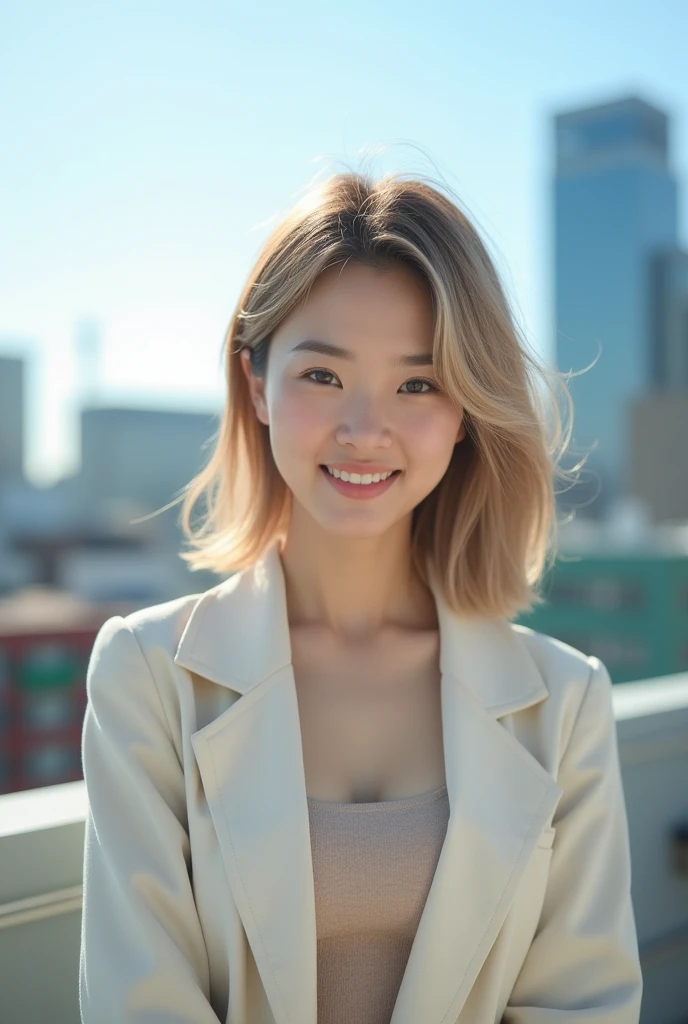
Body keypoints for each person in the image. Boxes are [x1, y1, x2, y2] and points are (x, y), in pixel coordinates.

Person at [78, 170, 643, 1024]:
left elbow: (583, 1003)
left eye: (418, 383)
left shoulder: (565, 705)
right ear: (256, 385)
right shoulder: (147, 677)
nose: (364, 429)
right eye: (323, 376)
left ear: (465, 415)